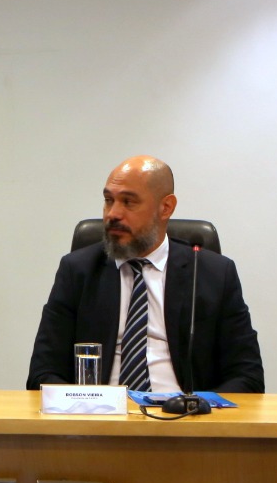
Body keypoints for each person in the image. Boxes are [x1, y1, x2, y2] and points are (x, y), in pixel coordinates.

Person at [27, 155, 264, 393]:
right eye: (109, 200)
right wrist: (85, 405)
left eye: (128, 202)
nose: (112, 214)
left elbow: (247, 376)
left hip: (183, 411)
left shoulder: (214, 274)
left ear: (166, 207)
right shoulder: (78, 270)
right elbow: (43, 373)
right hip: (100, 411)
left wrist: (200, 408)